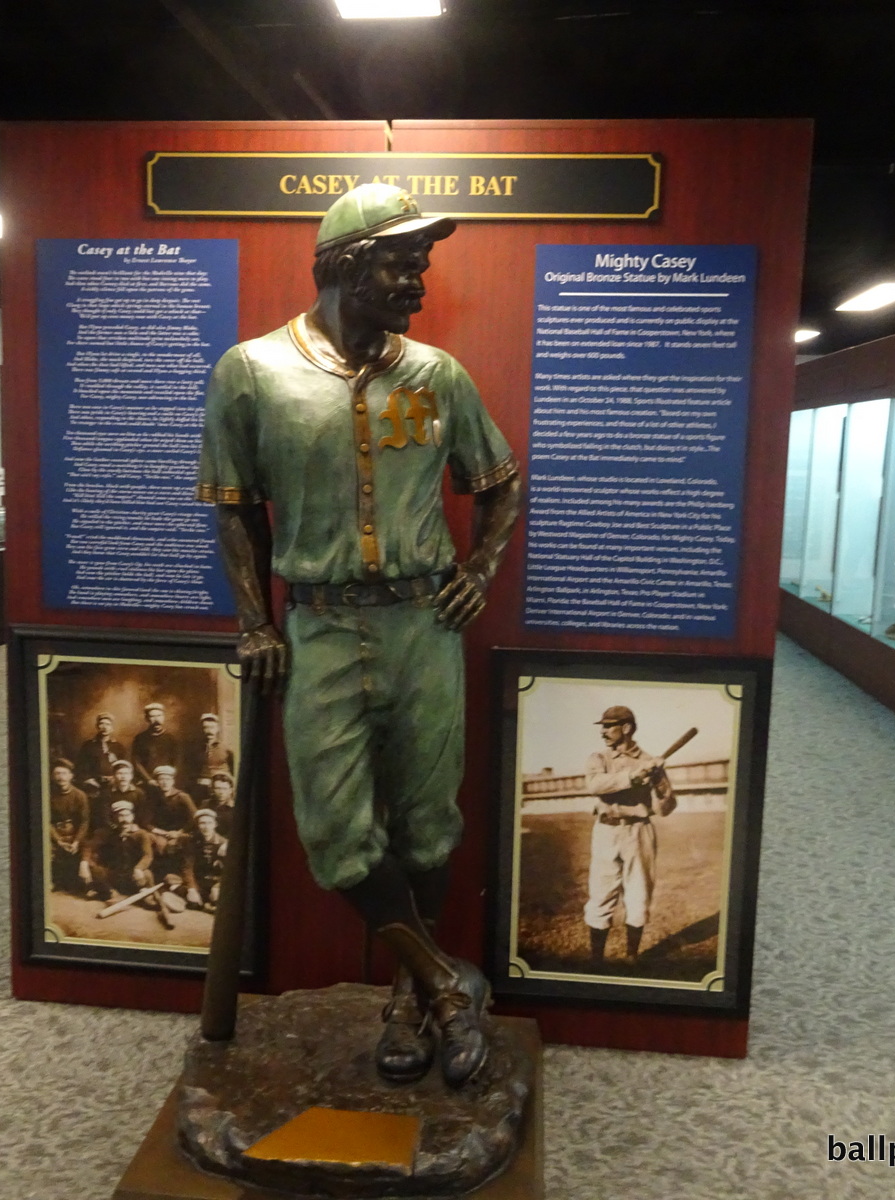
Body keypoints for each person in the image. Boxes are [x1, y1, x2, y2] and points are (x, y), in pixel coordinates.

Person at [197, 183, 521, 1088]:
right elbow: (234, 510)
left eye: (421, 264)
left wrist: (479, 571)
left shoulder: (438, 375)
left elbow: (500, 481)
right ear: (342, 265)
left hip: (424, 623)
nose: (417, 280)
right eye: (400, 262)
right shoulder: (251, 371)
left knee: (427, 829)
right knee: (336, 836)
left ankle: (409, 1002)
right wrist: (256, 621)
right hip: (322, 629)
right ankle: (450, 986)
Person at [581, 706, 674, 963]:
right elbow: (596, 785)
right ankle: (595, 961)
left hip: (639, 831)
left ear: (627, 728)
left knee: (639, 893)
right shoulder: (598, 758)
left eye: (609, 726)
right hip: (606, 830)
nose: (603, 732)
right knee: (601, 893)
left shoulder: (650, 760)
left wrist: (658, 782)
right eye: (603, 726)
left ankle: (632, 957)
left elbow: (666, 808)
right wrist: (633, 776)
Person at [83, 797, 173, 929]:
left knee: (147, 874)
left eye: (127, 815)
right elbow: (89, 846)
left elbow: (147, 855)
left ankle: (145, 894)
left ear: (132, 816)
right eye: (120, 815)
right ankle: (112, 894)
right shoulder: (108, 833)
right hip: (116, 875)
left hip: (134, 875)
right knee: (94, 868)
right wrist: (84, 864)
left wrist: (138, 868)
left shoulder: (141, 834)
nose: (124, 819)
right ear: (114, 818)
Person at [48, 759, 91, 896]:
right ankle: (49, 880)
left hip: (74, 832)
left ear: (71, 776)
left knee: (86, 849)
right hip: (55, 832)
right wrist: (57, 840)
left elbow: (84, 821)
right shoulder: (47, 795)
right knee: (46, 849)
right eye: (57, 773)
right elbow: (46, 821)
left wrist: (77, 841)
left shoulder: (80, 795)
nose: (61, 777)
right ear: (52, 776)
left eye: (65, 773)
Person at [92, 758, 149, 840]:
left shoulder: (139, 793)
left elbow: (142, 813)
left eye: (126, 773)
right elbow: (104, 816)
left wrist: (133, 826)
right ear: (114, 776)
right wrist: (117, 829)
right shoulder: (106, 793)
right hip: (111, 829)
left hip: (133, 828)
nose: (123, 777)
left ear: (131, 776)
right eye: (119, 773)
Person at [73, 712, 129, 794]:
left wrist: (116, 779)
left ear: (112, 728)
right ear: (97, 726)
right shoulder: (88, 745)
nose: (105, 727)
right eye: (102, 724)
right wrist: (88, 779)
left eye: (108, 724)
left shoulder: (118, 746)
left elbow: (124, 766)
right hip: (93, 784)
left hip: (114, 784)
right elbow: (80, 766)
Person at [184, 808, 227, 912]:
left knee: (218, 897)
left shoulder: (223, 843)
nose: (206, 827)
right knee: (172, 880)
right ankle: (204, 903)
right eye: (202, 823)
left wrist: (218, 886)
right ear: (198, 825)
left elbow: (231, 872)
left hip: (217, 881)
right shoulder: (193, 842)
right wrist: (192, 889)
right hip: (200, 881)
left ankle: (211, 903)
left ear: (215, 824)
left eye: (209, 823)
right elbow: (188, 868)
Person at [189, 713, 236, 802]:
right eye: (206, 727)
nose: (209, 731)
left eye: (212, 727)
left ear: (218, 729)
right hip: (202, 789)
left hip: (220, 788)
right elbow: (191, 771)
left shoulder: (226, 748)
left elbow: (233, 770)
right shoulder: (195, 749)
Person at [130, 701, 181, 781]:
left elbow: (177, 762)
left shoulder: (171, 739)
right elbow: (137, 762)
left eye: (159, 716)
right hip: (146, 781)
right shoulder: (140, 738)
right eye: (152, 716)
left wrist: (169, 778)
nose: (156, 719)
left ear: (164, 717)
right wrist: (148, 779)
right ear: (147, 719)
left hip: (166, 781)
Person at [207, 770, 237, 838]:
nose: (221, 792)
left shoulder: (236, 808)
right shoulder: (207, 804)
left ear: (231, 790)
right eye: (218, 788)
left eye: (224, 788)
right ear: (212, 789)